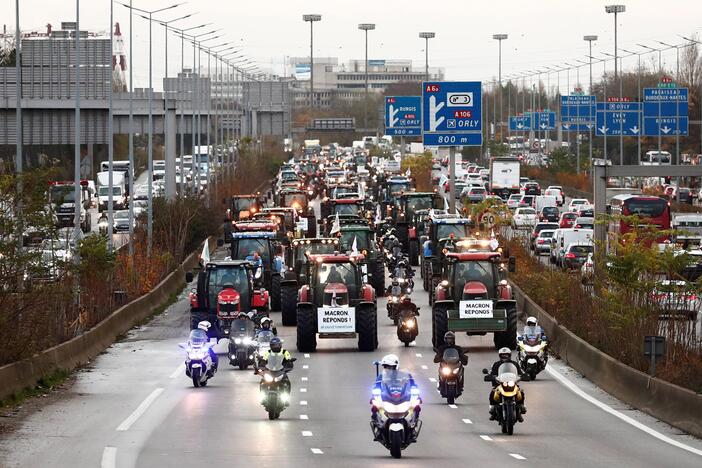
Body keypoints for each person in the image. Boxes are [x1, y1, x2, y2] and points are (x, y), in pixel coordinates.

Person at [487, 347, 525, 422]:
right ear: (500, 356)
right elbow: (492, 373)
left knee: (521, 392)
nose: (505, 357)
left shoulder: (515, 364)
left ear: (509, 355)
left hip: (512, 384)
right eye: (503, 355)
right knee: (493, 392)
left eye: (506, 355)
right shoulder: (496, 364)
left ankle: (520, 409)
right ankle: (493, 410)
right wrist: (490, 376)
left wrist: (524, 375)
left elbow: (520, 373)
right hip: (500, 384)